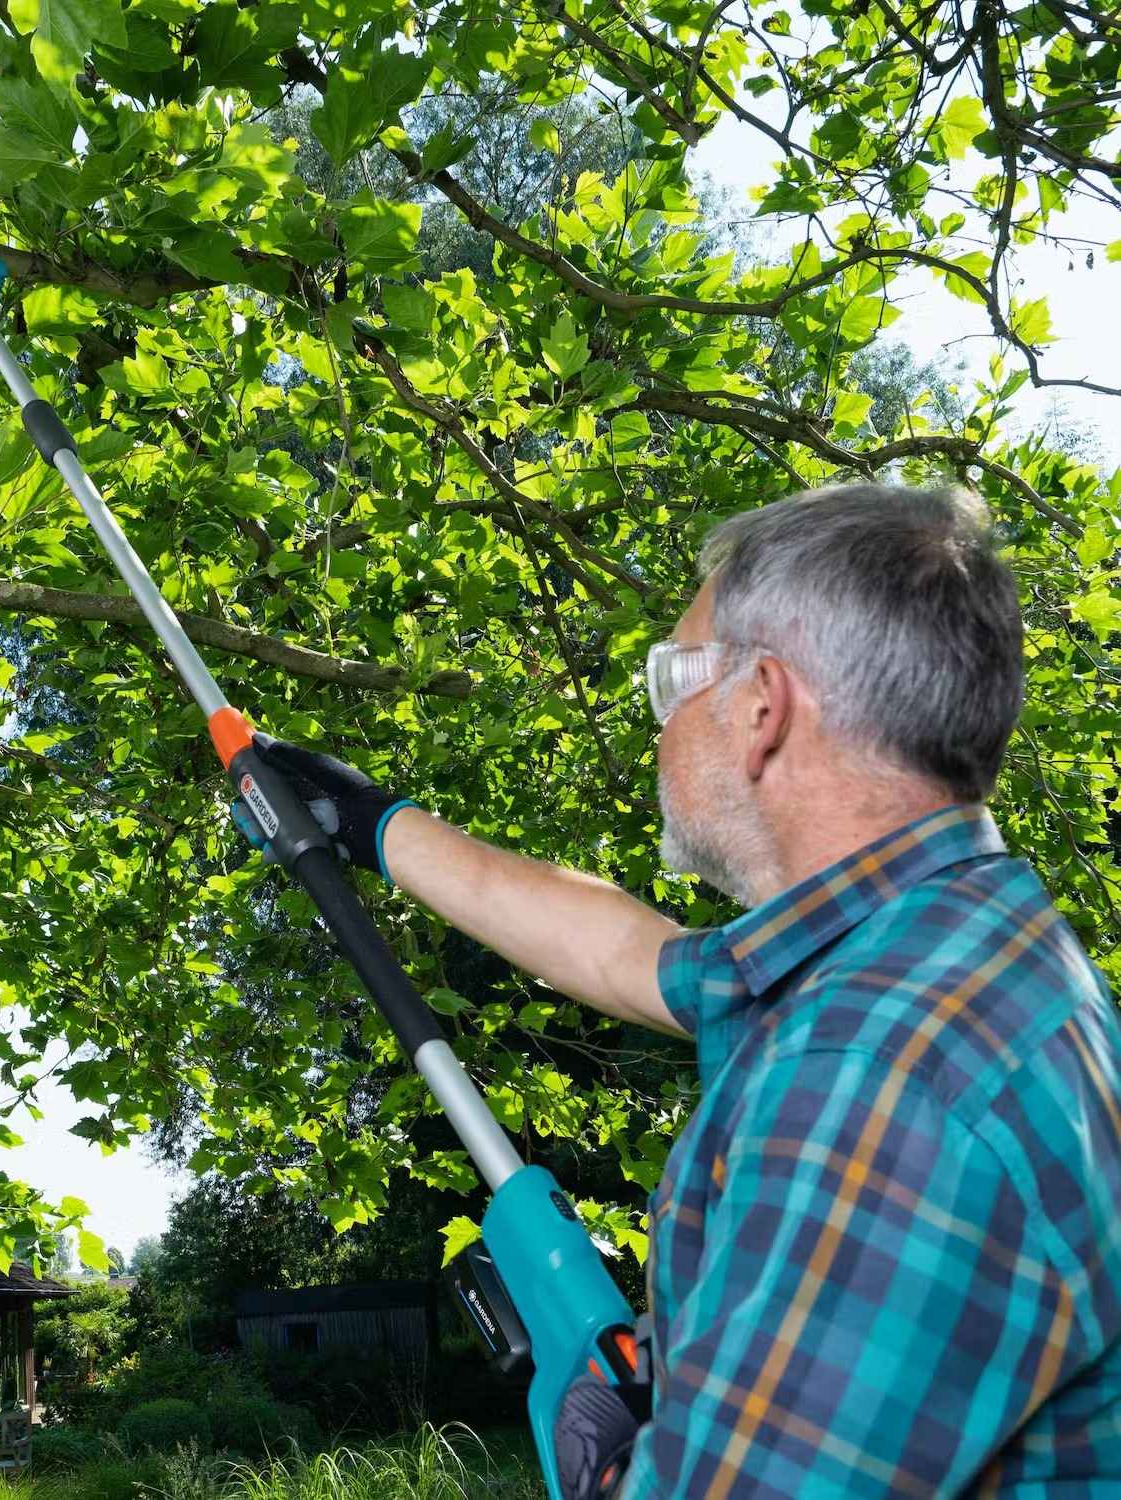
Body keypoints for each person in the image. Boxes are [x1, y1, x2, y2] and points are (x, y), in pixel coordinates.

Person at [250, 483, 1121, 1496]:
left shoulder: (867, 1078)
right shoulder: (953, 943)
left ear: (760, 708)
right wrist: (366, 823)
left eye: (673, 683)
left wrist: (611, 1474)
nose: (660, 730)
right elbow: (628, 953)